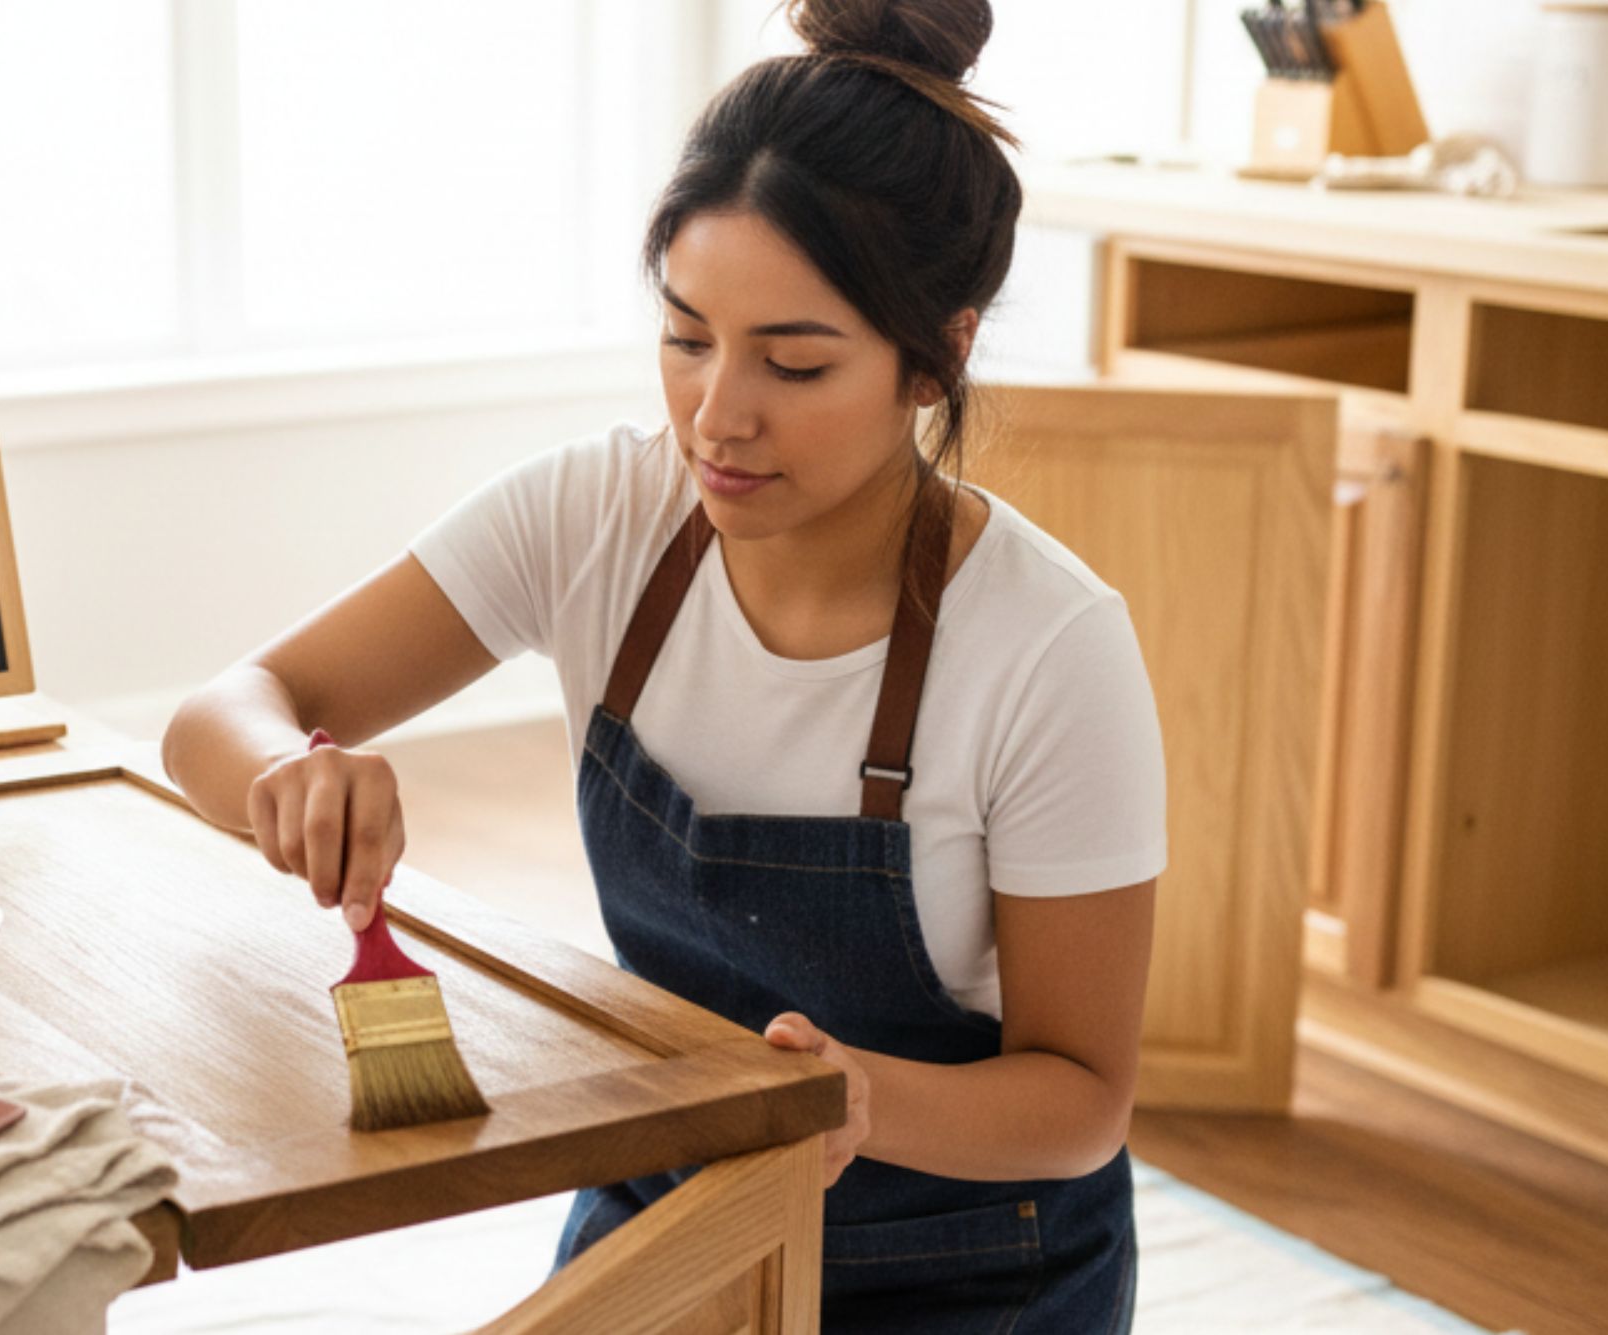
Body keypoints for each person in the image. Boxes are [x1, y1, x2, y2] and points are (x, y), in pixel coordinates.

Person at [162, 0, 1161, 1327]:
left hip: (970, 1270)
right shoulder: (593, 520)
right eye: (687, 337)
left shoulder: (1048, 649)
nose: (716, 415)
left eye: (793, 364)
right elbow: (219, 714)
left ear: (940, 357)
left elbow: (1079, 1102)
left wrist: (856, 1095)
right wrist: (291, 773)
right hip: (672, 1207)